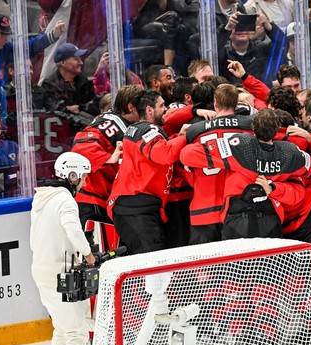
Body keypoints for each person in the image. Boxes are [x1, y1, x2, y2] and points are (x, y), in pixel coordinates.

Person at [179, 108, 311, 240]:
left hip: (236, 221)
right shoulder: (291, 152)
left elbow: (187, 155)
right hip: (271, 220)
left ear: (253, 128)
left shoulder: (240, 145)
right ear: (276, 130)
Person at [30, 151, 95, 345]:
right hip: (59, 273)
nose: (85, 181)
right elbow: (73, 230)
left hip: (43, 269)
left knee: (62, 326)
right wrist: (87, 254)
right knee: (77, 332)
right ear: (72, 175)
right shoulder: (65, 200)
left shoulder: (43, 198)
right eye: (83, 176)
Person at [108, 90, 187, 255]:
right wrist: (188, 136)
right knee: (153, 264)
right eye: (162, 105)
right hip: (136, 208)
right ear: (150, 110)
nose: (165, 109)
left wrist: (178, 137)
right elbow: (163, 154)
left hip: (133, 207)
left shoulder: (139, 130)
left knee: (144, 263)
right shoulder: (146, 129)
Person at [71, 85, 143, 251]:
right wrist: (109, 158)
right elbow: (81, 146)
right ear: (131, 107)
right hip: (93, 202)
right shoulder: (110, 123)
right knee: (99, 260)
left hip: (107, 201)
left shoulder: (125, 121)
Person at [184, 83, 254, 244]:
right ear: (236, 103)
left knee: (204, 267)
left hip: (203, 209)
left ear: (215, 102)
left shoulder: (195, 130)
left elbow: (188, 167)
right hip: (238, 209)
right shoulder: (250, 127)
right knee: (239, 266)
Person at [0, 12, 66, 122]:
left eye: (7, 35)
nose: (5, 39)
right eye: (1, 35)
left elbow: (28, 46)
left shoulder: (5, 49)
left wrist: (53, 35)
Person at [217, 12, 285, 87]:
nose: (242, 31)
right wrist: (226, 28)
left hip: (261, 95)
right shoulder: (223, 52)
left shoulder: (261, 48)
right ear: (229, 33)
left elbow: (283, 45)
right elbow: (213, 48)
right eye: (237, 27)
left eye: (246, 26)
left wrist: (269, 26)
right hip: (233, 95)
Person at [41, 43, 99, 127]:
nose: (81, 62)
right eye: (76, 59)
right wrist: (75, 109)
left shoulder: (82, 79)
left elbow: (92, 105)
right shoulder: (49, 84)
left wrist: (78, 108)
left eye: (80, 59)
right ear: (63, 63)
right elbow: (58, 111)